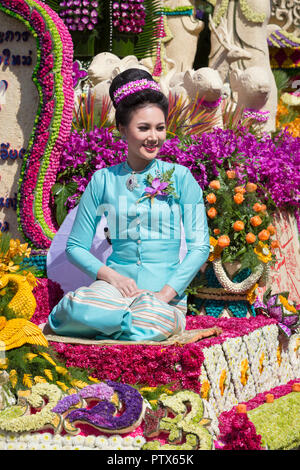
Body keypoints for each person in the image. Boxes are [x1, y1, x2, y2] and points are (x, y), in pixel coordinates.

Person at [47, 68, 211, 342]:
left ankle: (127, 321)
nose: (154, 137)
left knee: (150, 319)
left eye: (160, 128)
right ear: (122, 129)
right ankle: (122, 319)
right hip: (113, 290)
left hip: (164, 293)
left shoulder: (182, 178)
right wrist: (111, 277)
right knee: (78, 309)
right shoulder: (103, 180)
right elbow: (75, 246)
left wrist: (165, 294)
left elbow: (200, 247)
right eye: (143, 128)